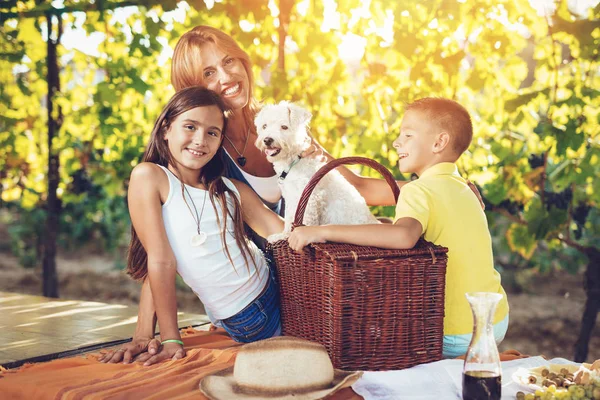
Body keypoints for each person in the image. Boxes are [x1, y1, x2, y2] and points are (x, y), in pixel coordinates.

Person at [288, 97, 509, 358]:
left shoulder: (418, 190)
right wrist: (321, 154)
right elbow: (364, 190)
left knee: (368, 325)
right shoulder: (465, 188)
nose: (397, 142)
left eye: (407, 134)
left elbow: (403, 235)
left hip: (452, 332)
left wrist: (321, 231)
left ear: (439, 143)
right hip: (495, 320)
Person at [99, 87, 284, 366]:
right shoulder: (150, 177)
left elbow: (285, 232)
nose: (200, 140)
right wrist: (167, 338)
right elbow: (159, 260)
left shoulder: (232, 189)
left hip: (278, 287)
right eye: (190, 126)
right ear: (165, 129)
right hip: (251, 318)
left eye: (212, 132)